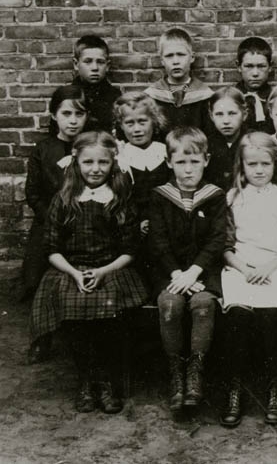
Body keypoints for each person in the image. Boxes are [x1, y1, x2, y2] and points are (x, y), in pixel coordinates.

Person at [30, 131, 148, 413]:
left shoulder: (119, 198)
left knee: (108, 310)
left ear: (112, 163)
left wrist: (103, 271)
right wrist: (74, 273)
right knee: (72, 303)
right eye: (88, 162)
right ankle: (86, 379)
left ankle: (105, 380)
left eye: (103, 162)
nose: (95, 169)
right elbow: (51, 248)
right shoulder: (64, 199)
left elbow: (130, 249)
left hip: (111, 267)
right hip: (70, 268)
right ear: (77, 163)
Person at [219, 132, 277, 427]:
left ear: (274, 164)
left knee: (273, 317)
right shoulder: (232, 198)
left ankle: (274, 388)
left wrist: (268, 268)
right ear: (241, 165)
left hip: (276, 266)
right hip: (240, 268)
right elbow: (225, 245)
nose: (258, 170)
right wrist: (244, 269)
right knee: (238, 318)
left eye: (265, 163)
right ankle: (235, 389)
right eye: (251, 164)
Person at [148, 127, 226, 413]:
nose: (188, 169)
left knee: (203, 304)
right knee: (170, 303)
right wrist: (177, 274)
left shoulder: (215, 196)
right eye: (181, 162)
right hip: (170, 272)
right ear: (169, 162)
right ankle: (176, 374)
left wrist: (193, 272)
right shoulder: (160, 196)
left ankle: (196, 373)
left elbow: (217, 239)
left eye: (194, 161)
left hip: (204, 271)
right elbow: (157, 241)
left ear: (206, 160)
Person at [23, 85, 88, 363]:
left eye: (79, 114)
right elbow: (33, 192)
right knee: (37, 270)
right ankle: (42, 337)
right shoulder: (43, 149)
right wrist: (52, 218)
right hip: (50, 221)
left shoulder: (92, 146)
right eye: (66, 114)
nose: (73, 120)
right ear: (54, 116)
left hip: (87, 220)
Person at [113, 92, 170, 296]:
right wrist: (138, 222)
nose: (136, 129)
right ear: (121, 126)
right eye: (129, 123)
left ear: (154, 122)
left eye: (142, 122)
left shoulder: (165, 152)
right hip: (134, 225)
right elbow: (121, 197)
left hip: (165, 222)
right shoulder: (121, 157)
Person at [144, 28, 214, 135]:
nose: (175, 61)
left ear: (192, 57)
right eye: (169, 56)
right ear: (162, 60)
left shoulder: (205, 95)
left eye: (181, 54)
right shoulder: (151, 96)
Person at [64, 35, 121, 136]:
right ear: (76, 64)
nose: (95, 68)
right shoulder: (66, 95)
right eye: (88, 61)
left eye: (100, 62)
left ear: (107, 66)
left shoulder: (114, 96)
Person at [204, 86, 249, 191]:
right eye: (219, 114)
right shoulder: (206, 144)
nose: (226, 121)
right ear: (211, 116)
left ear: (244, 114)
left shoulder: (252, 141)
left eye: (232, 113)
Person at [234, 36, 275, 134]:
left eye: (261, 66)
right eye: (249, 66)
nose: (255, 73)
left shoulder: (276, 98)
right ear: (238, 66)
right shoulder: (231, 98)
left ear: (270, 66)